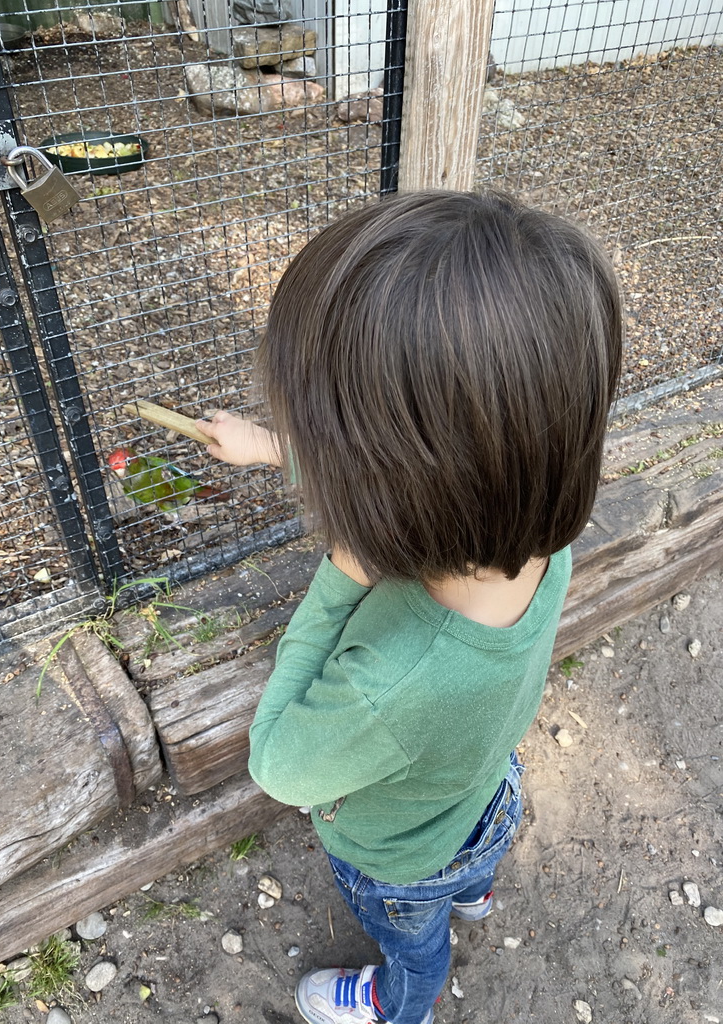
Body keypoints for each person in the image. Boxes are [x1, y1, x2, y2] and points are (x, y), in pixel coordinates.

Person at [196, 190, 622, 1024]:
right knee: (476, 849)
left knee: (415, 943)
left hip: (398, 859)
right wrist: (277, 452)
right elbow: (434, 469)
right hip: (486, 794)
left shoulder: (387, 684)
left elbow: (278, 765)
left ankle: (403, 1004)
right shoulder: (536, 536)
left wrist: (341, 576)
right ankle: (479, 892)